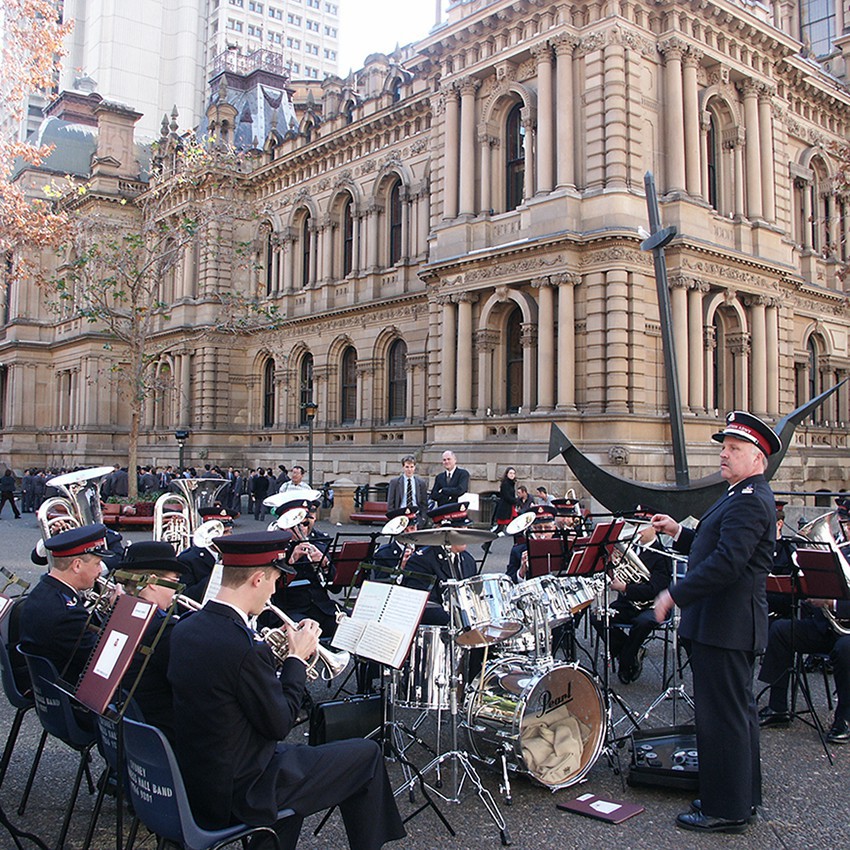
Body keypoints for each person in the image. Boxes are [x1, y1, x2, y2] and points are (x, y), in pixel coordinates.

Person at [167, 530, 405, 850]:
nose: (273, 591)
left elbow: (231, 693)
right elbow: (280, 723)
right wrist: (295, 659)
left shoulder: (185, 627)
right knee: (367, 755)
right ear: (258, 579)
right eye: (274, 582)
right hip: (245, 786)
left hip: (201, 775)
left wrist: (271, 657)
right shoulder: (244, 647)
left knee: (302, 769)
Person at [653, 410, 781, 835]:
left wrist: (675, 593)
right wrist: (678, 531)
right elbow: (714, 544)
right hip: (724, 625)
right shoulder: (740, 494)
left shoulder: (749, 499)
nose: (724, 456)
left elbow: (727, 564)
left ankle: (725, 809)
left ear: (758, 459)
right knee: (737, 715)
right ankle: (743, 796)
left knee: (721, 718)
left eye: (734, 450)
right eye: (724, 448)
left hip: (725, 626)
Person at [18, 523, 112, 684]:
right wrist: (118, 613)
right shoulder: (66, 613)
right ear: (77, 565)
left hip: (49, 681)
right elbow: (104, 660)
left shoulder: (43, 590)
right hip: (70, 688)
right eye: (97, 564)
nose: (99, 571)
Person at [591, 506, 673, 684]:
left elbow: (655, 589)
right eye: (635, 525)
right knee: (598, 617)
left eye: (642, 526)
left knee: (643, 622)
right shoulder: (628, 550)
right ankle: (630, 652)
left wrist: (625, 587)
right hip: (628, 604)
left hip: (653, 605)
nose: (637, 530)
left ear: (654, 528)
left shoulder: (662, 555)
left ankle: (626, 661)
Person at [119, 540, 186, 742]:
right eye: (173, 581)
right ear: (153, 582)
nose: (175, 590)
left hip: (127, 731)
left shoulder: (119, 612)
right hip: (159, 735)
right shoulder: (162, 629)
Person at [271, 497, 339, 636]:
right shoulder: (275, 549)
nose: (303, 528)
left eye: (306, 523)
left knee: (351, 625)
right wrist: (291, 561)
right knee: (305, 633)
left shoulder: (319, 544)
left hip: (321, 607)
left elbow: (336, 589)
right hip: (291, 609)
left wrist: (325, 564)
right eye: (297, 524)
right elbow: (272, 588)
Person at [403, 502, 477, 625]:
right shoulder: (421, 561)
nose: (466, 534)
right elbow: (422, 608)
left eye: (466, 528)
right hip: (440, 634)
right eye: (460, 530)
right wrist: (460, 621)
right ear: (442, 532)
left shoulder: (468, 560)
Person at [386, 456, 427, 526]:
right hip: (400, 515)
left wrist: (423, 517)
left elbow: (424, 503)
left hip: (416, 515)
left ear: (414, 467)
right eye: (407, 467)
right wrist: (393, 517)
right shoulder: (395, 482)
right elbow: (390, 502)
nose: (409, 470)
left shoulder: (421, 483)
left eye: (411, 467)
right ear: (403, 467)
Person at [491, 467, 518, 533]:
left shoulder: (511, 483)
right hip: (505, 508)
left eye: (513, 473)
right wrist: (516, 500)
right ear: (507, 474)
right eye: (510, 473)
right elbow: (507, 496)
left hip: (510, 508)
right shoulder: (505, 484)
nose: (512, 475)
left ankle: (517, 542)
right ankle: (488, 542)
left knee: (516, 527)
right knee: (500, 528)